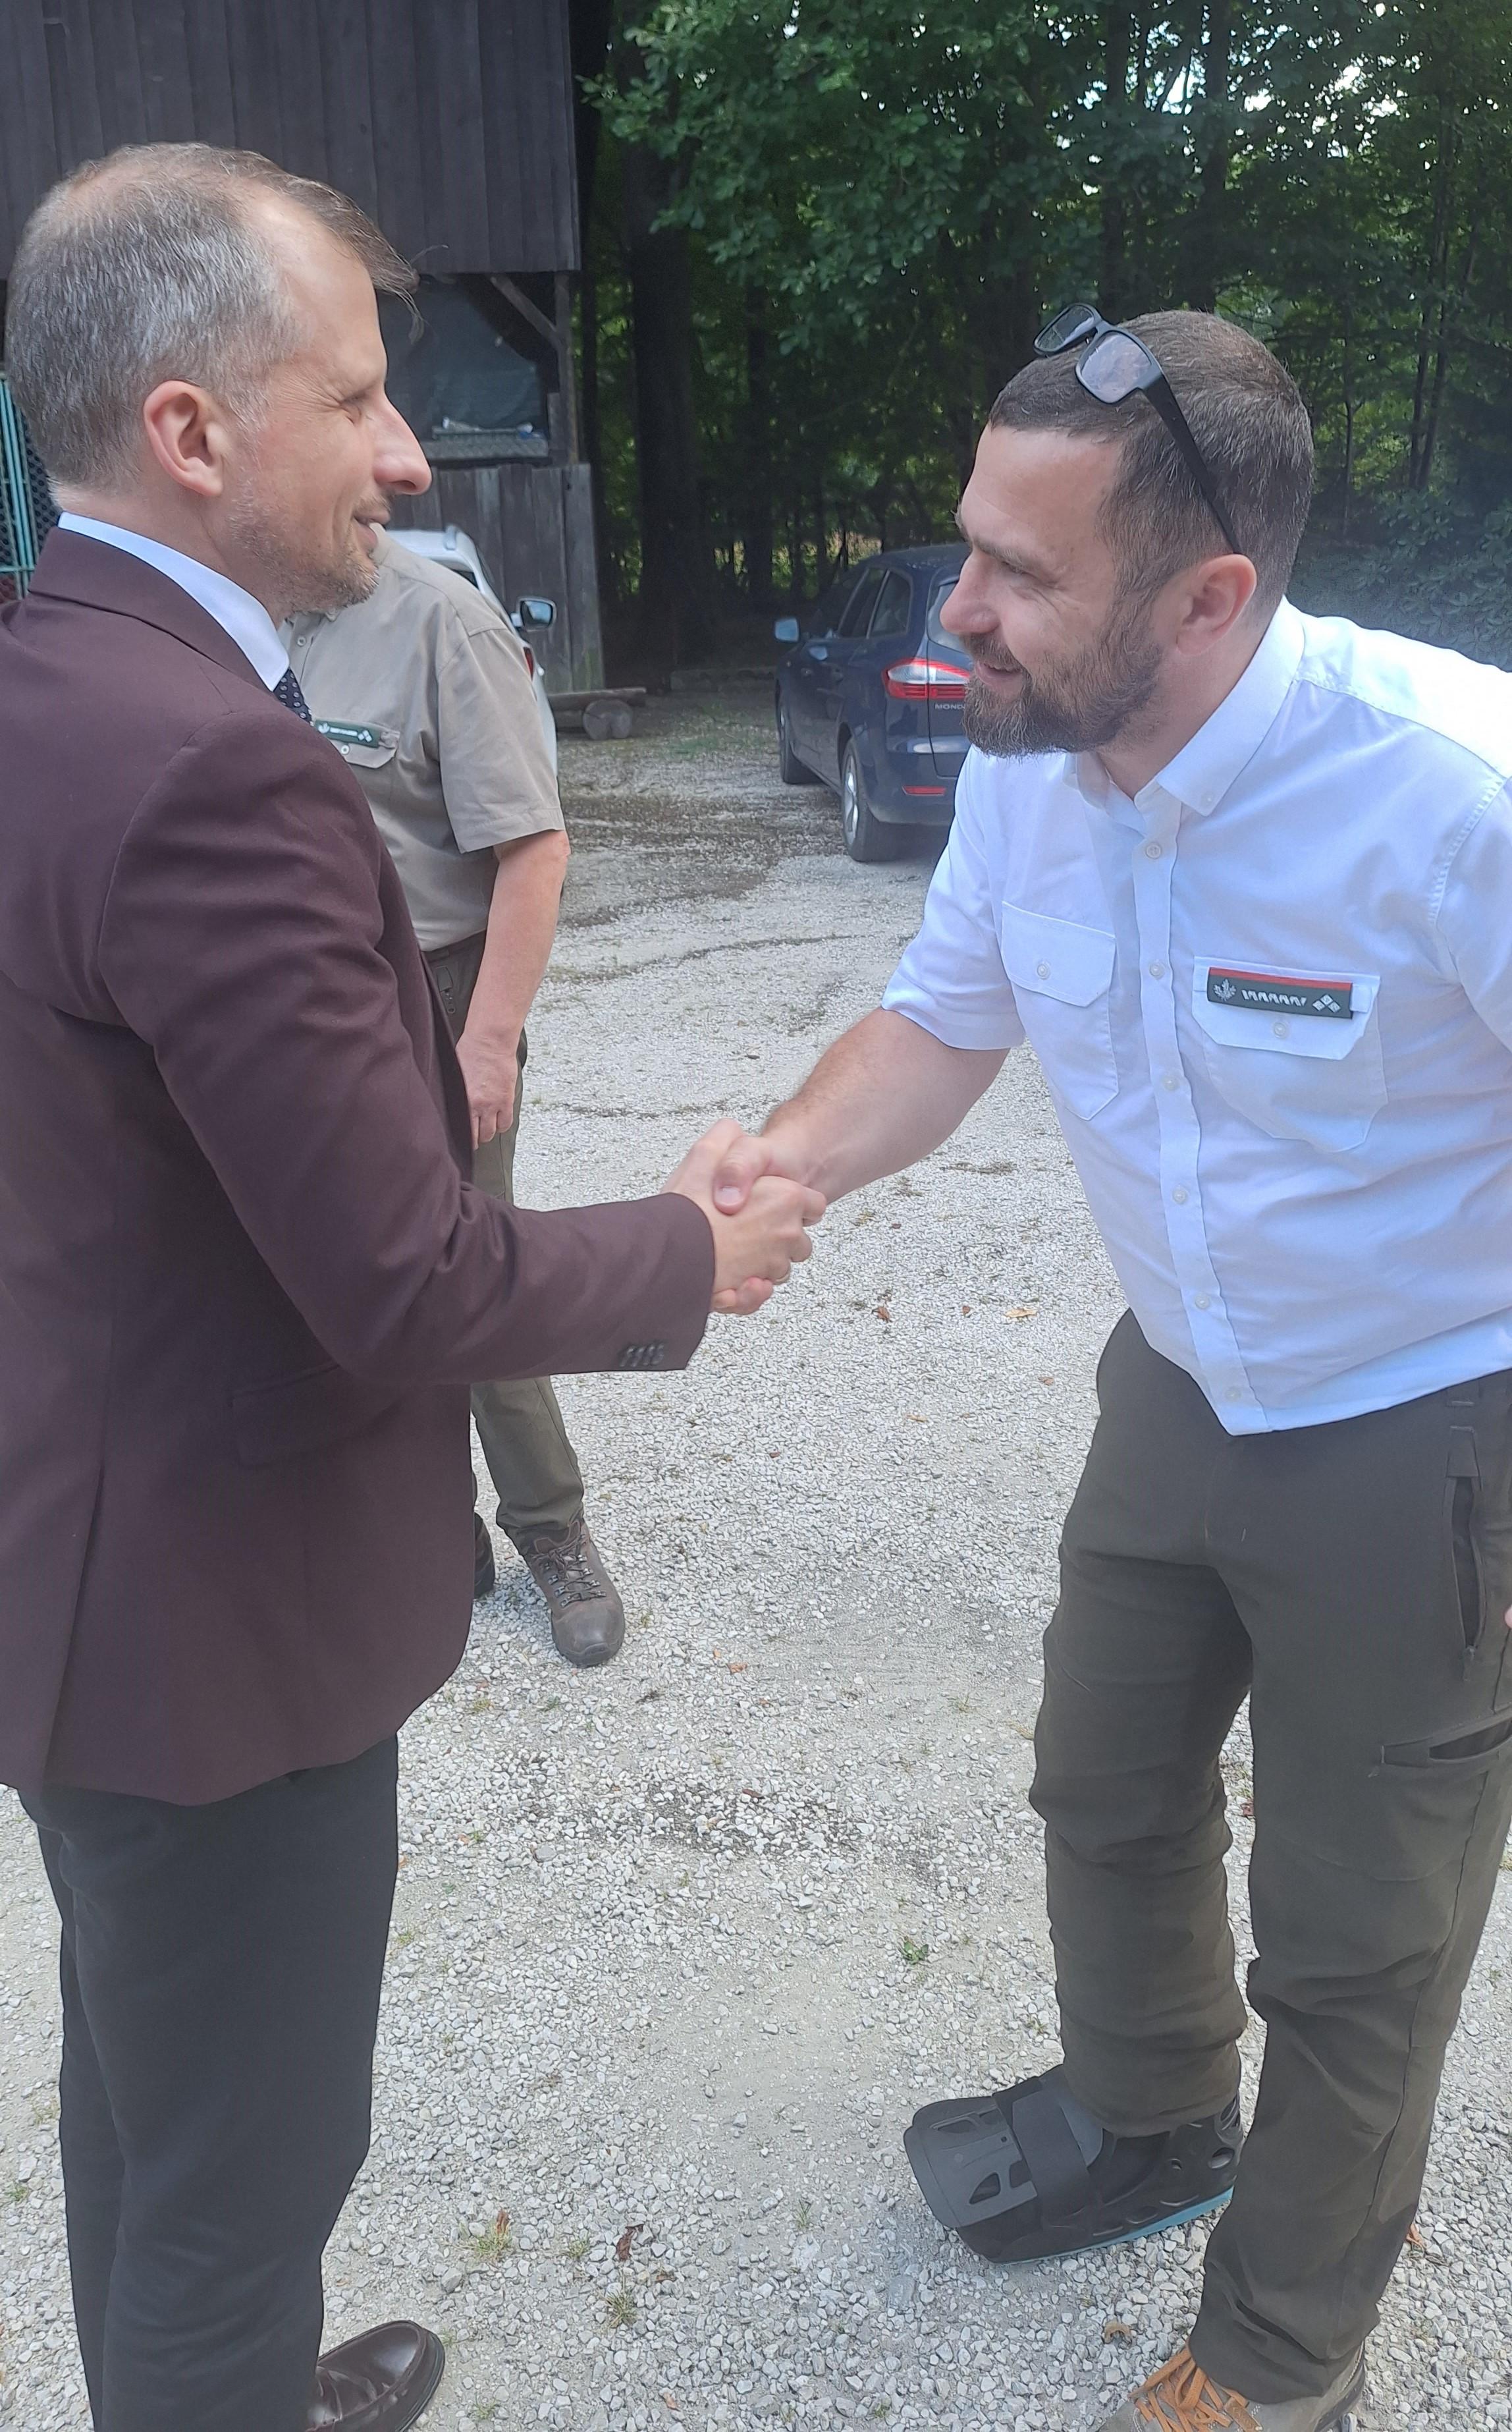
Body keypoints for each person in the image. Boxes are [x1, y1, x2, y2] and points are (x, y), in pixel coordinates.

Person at [0, 142, 821, 2432]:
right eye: (357, 398)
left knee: (150, 2108)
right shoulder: (210, 768)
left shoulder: (47, 685)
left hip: (83, 1578)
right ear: (188, 429)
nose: (406, 455)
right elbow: (399, 1277)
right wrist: (692, 1251)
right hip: (211, 1627)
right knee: (238, 2178)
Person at [707, 307, 1512, 2432]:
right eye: (965, 542)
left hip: (1426, 1419)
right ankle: (1152, 2119)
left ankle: (1281, 2353)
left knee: (1359, 1929)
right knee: (1105, 1781)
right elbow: (937, 1022)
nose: (955, 612)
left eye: (1018, 571)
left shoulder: (1455, 791)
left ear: (1208, 597)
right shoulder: (1028, 772)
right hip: (1174, 1380)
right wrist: (779, 1161)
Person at [284, 538, 626, 1665]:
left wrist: (486, 1045)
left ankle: (552, 1528)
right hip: (300, 996)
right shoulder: (236, 609)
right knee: (328, 1277)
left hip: (436, 996)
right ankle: (437, 1526)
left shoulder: (444, 625)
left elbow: (534, 851)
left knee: (466, 1268)